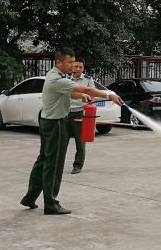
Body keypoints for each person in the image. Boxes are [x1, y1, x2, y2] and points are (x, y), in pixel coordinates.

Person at [20, 47, 123, 215]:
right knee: (53, 164)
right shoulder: (56, 79)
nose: (72, 66)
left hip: (48, 122)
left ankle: (30, 197)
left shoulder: (58, 76)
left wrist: (79, 97)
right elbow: (87, 89)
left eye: (74, 63)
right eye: (69, 63)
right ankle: (51, 204)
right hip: (55, 124)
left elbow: (70, 93)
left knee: (43, 161)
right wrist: (109, 95)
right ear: (58, 62)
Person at [68, 58, 94, 174]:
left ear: (83, 68)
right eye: (75, 66)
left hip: (79, 112)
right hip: (65, 112)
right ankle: (56, 165)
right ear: (71, 67)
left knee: (80, 141)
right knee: (61, 141)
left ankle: (78, 165)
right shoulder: (65, 79)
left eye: (80, 67)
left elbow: (92, 96)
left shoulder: (88, 80)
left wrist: (88, 99)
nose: (77, 69)